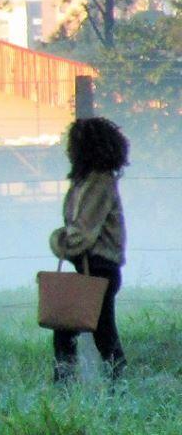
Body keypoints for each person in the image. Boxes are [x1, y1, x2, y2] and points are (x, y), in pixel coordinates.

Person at [48, 116, 129, 383]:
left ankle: (75, 388)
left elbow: (82, 234)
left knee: (96, 333)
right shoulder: (91, 181)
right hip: (96, 268)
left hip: (97, 268)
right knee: (81, 330)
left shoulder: (97, 182)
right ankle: (112, 387)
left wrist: (58, 240)